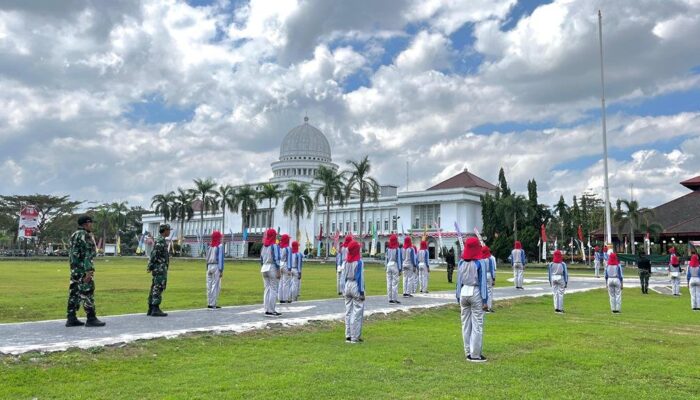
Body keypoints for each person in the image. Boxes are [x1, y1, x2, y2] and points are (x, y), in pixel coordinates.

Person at [66, 215, 106, 327]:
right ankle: (91, 318)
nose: (91, 225)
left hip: (75, 270)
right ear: (86, 224)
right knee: (88, 292)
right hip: (83, 269)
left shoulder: (74, 235)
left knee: (74, 293)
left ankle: (71, 318)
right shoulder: (86, 235)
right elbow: (88, 254)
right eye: (90, 223)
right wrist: (89, 271)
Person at [456, 237, 489, 362]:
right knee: (477, 324)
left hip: (464, 292)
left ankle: (467, 351)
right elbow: (482, 283)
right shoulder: (480, 263)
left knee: (465, 323)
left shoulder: (461, 263)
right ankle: (475, 354)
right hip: (475, 292)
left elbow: (458, 282)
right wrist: (485, 300)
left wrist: (457, 296)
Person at [342, 241, 365, 343]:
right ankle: (355, 336)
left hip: (347, 285)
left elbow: (343, 277)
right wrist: (362, 291)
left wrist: (343, 289)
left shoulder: (346, 262)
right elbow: (360, 278)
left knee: (348, 311)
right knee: (357, 311)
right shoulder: (359, 262)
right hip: (355, 285)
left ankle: (348, 335)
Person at [147, 223, 171, 317]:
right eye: (168, 230)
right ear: (165, 231)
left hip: (159, 267)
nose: (169, 232)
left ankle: (151, 307)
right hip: (160, 268)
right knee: (158, 286)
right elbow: (154, 254)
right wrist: (151, 266)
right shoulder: (160, 241)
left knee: (154, 286)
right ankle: (155, 308)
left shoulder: (160, 240)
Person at [261, 228, 281, 317]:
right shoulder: (274, 246)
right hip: (272, 267)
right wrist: (278, 270)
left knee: (267, 289)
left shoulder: (264, 246)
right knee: (273, 289)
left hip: (264, 267)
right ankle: (272, 309)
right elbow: (276, 258)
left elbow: (261, 259)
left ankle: (266, 309)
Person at [205, 230, 225, 309]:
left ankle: (209, 302)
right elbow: (220, 259)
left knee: (209, 286)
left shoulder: (209, 246)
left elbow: (206, 258)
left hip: (209, 266)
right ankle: (213, 304)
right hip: (216, 266)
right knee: (215, 286)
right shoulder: (219, 246)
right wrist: (221, 270)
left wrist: (206, 268)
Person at [385, 234, 403, 304]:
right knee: (394, 283)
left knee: (389, 282)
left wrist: (386, 267)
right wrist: (400, 269)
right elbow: (399, 259)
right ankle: (394, 298)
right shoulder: (397, 248)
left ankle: (389, 298)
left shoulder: (388, 248)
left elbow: (386, 259)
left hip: (389, 265)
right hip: (395, 265)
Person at [481, 245, 497, 313]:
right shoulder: (489, 259)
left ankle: (483, 305)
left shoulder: (480, 259)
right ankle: (489, 307)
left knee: (483, 291)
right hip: (488, 274)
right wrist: (493, 278)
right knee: (489, 291)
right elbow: (492, 269)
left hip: (482, 275)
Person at [278, 234, 293, 303]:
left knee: (281, 282)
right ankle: (286, 298)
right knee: (286, 283)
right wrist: (290, 269)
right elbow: (289, 259)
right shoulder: (288, 248)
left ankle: (280, 298)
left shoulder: (279, 247)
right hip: (286, 265)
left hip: (280, 264)